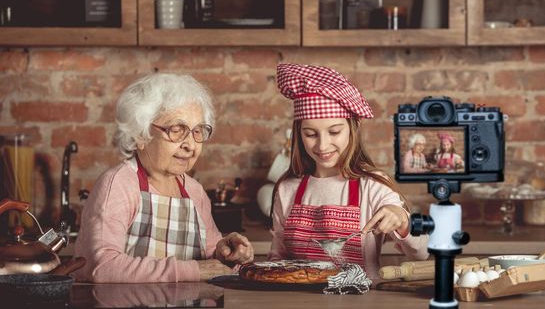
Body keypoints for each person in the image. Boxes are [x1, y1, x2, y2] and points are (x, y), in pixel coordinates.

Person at [73, 73, 254, 283]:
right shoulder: (120, 185)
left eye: (197, 131)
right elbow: (101, 266)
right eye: (177, 130)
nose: (190, 144)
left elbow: (208, 257)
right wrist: (192, 271)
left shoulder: (195, 192)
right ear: (140, 135)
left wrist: (225, 252)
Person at [268, 63, 428, 278]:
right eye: (311, 134)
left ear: (352, 129)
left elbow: (420, 253)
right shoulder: (287, 189)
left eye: (334, 132)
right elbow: (277, 259)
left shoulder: (373, 186)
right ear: (298, 134)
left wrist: (402, 220)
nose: (322, 146)